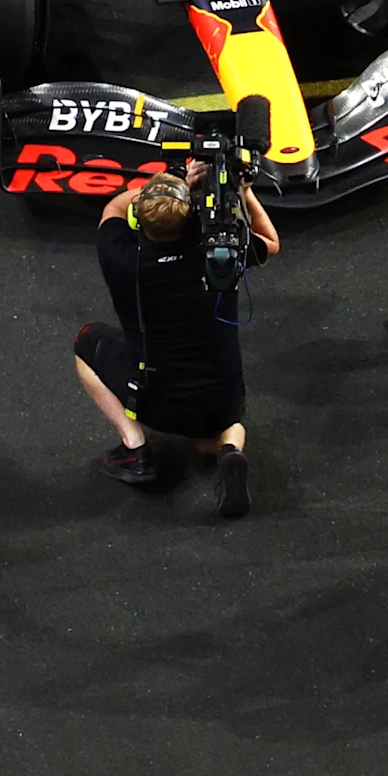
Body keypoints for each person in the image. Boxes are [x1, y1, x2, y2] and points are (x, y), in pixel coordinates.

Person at [74, 166, 277, 515]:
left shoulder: (122, 259)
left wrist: (174, 186)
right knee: (218, 433)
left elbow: (113, 210)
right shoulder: (218, 256)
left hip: (156, 400)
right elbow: (270, 242)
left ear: (142, 216)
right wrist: (243, 191)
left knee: (86, 341)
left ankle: (135, 448)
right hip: (221, 400)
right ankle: (229, 451)